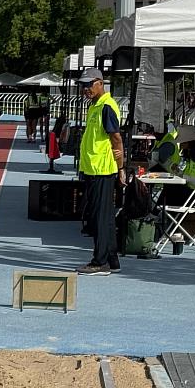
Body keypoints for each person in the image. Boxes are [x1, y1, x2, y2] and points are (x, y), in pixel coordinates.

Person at [77, 68, 124, 275]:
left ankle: (100, 261)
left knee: (99, 217)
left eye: (88, 85)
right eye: (83, 85)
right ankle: (111, 260)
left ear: (100, 83)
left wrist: (120, 167)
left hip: (103, 169)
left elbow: (116, 139)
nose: (85, 89)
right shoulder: (95, 106)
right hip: (94, 167)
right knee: (103, 216)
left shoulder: (106, 106)